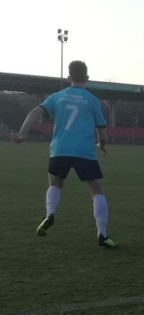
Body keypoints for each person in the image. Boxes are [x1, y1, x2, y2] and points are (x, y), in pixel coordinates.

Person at [10, 60, 116, 248]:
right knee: (97, 192)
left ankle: (50, 213)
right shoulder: (92, 100)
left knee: (55, 184)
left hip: (60, 149)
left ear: (69, 78)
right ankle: (102, 234)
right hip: (84, 151)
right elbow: (102, 133)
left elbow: (35, 111)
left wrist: (22, 134)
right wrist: (101, 145)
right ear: (88, 78)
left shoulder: (57, 96)